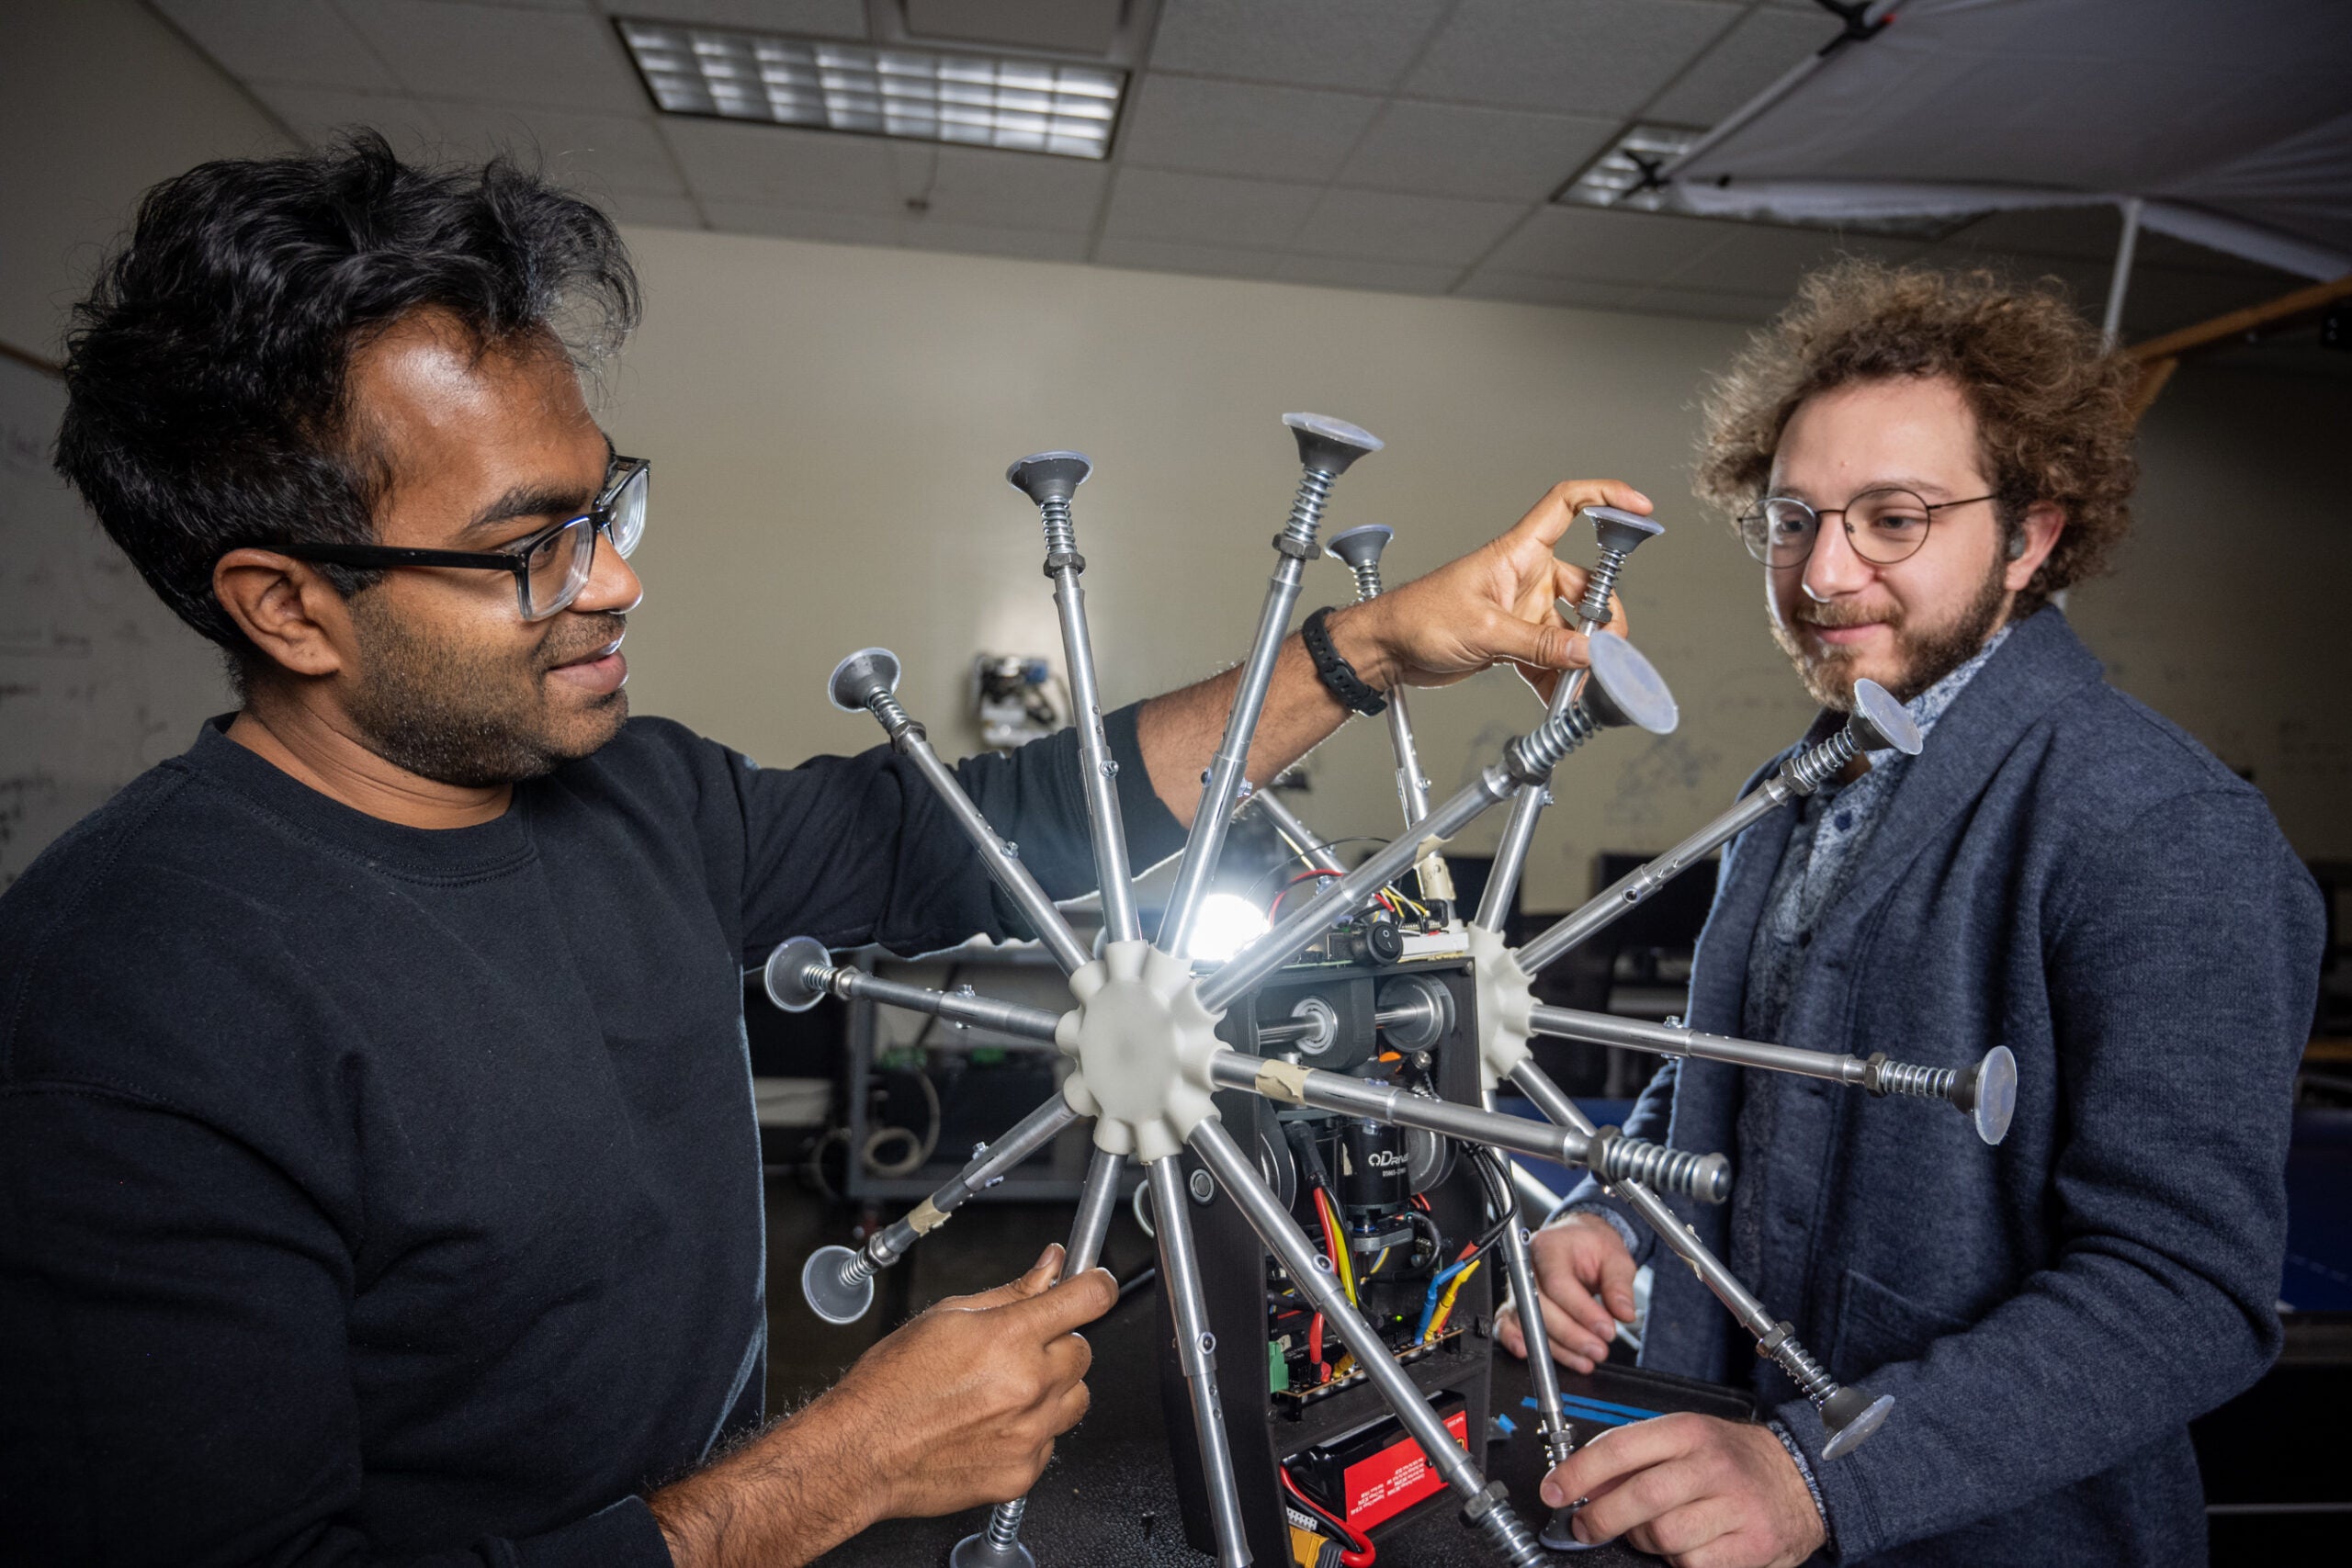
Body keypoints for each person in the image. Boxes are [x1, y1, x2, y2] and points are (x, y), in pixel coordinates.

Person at [0, 136, 1636, 1568]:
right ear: (286, 605)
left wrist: (1365, 652)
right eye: (530, 547)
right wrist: (837, 1467)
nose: (618, 583)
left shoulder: (638, 798)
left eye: (607, 506)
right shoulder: (121, 1015)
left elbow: (991, 831)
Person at [1498, 260, 2325, 1567]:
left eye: (1892, 518)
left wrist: (1814, 1479)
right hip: (1722, 1485)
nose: (1823, 572)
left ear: (2034, 537)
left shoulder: (2161, 825)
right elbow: (1733, 1077)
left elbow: (2186, 1292)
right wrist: (1613, 1217)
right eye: (1791, 519)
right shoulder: (1798, 784)